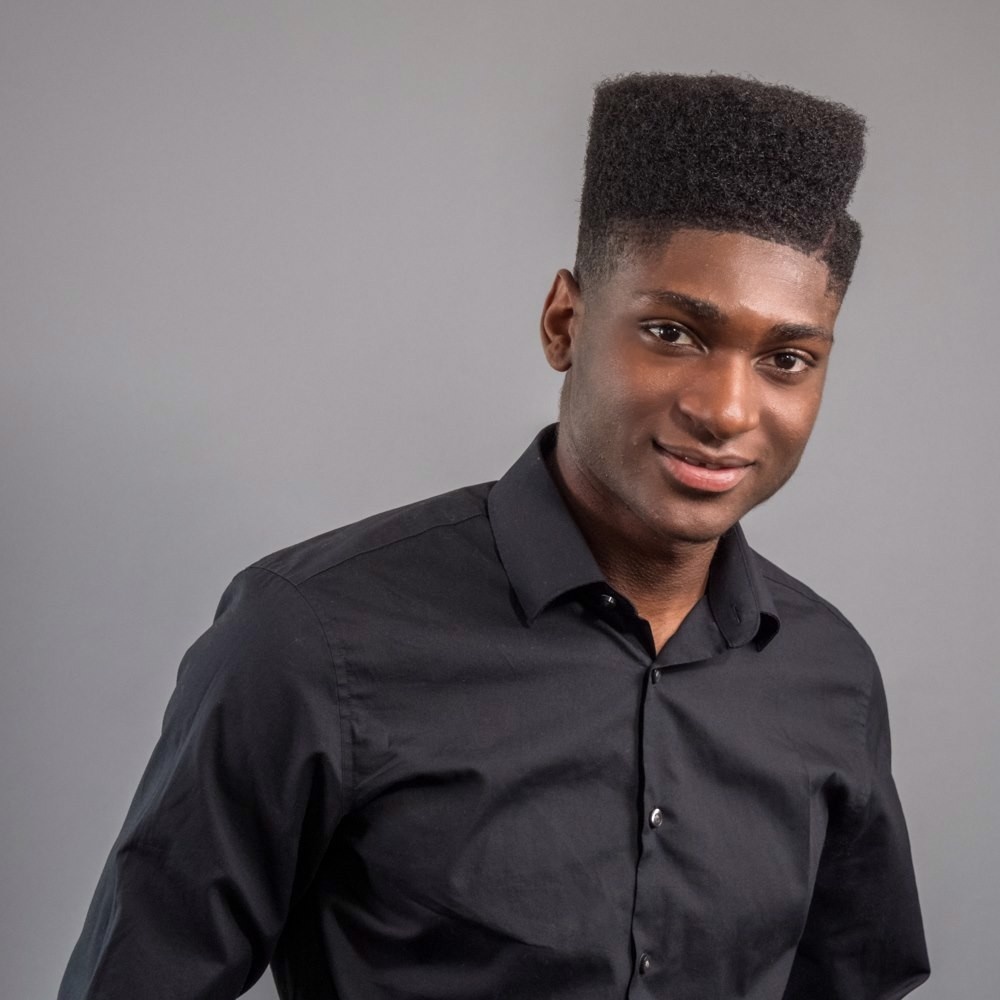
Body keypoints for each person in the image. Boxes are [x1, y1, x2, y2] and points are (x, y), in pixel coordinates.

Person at [59, 73, 930, 1000]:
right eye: (672, 333)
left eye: (787, 359)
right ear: (565, 323)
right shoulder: (310, 638)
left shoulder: (830, 675)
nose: (725, 410)